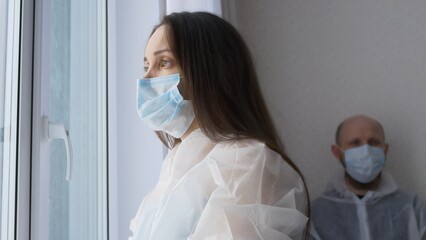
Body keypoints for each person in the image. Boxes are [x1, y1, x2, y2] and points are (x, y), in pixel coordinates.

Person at [129, 11, 310, 240]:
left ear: (209, 71)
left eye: (164, 62)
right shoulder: (176, 164)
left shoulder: (248, 162)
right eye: (146, 65)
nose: (145, 79)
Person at [310, 114, 426, 240]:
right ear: (337, 152)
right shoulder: (316, 213)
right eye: (355, 143)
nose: (366, 151)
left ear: (385, 150)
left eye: (373, 142)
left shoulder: (411, 207)